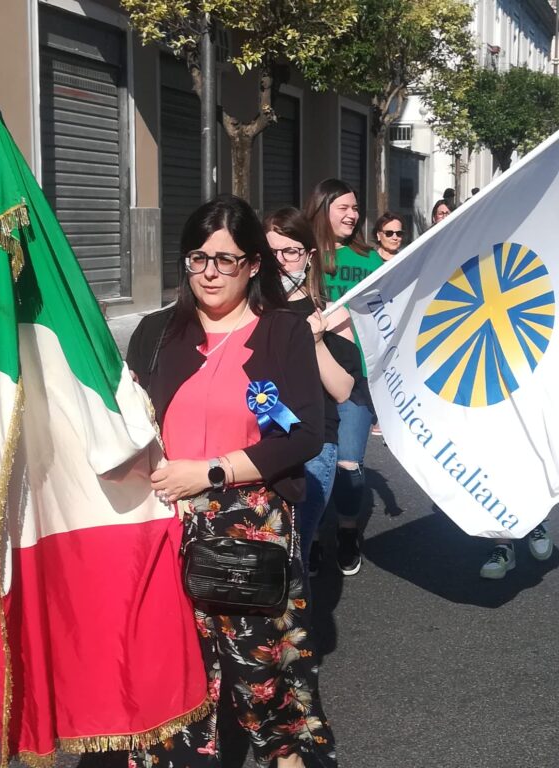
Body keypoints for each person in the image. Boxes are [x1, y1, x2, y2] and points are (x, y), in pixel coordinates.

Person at [125, 195, 337, 767]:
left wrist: (211, 471)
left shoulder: (281, 335)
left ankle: (284, 757)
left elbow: (297, 436)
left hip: (249, 529)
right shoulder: (155, 333)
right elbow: (126, 424)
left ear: (251, 266)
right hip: (165, 527)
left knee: (260, 673)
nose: (211, 273)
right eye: (199, 258)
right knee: (173, 680)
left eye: (227, 259)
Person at [263, 206, 362, 578]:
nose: (281, 262)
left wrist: (318, 342)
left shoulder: (330, 313)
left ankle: (295, 634)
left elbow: (343, 390)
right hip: (255, 442)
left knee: (296, 552)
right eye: (271, 252)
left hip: (314, 447)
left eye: (290, 252)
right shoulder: (247, 310)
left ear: (309, 256)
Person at [305, 178, 382, 576]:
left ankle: (348, 530)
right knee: (312, 459)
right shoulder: (303, 255)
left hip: (358, 377)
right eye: (344, 208)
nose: (353, 215)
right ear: (322, 209)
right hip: (308, 375)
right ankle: (313, 533)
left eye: (356, 208)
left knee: (348, 462)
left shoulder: (370, 259)